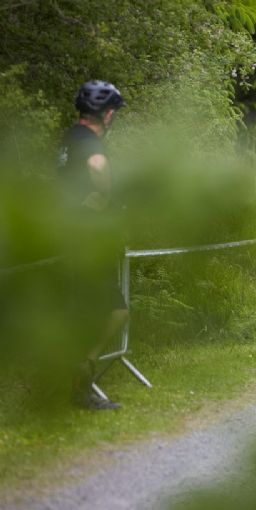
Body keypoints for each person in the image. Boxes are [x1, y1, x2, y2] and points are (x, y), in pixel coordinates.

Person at [57, 80, 128, 410]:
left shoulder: (71, 138)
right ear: (109, 114)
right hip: (87, 238)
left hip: (67, 234)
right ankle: (82, 377)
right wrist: (102, 198)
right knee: (113, 310)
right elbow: (98, 168)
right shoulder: (91, 144)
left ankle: (76, 381)